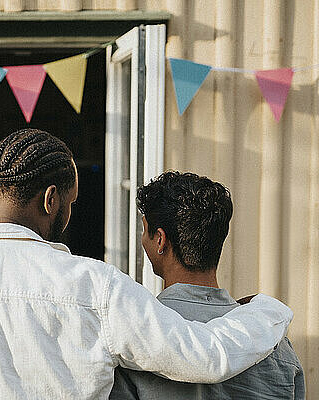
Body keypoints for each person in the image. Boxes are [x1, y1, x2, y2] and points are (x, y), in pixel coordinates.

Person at [0, 128, 292, 399]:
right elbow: (206, 358)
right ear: (52, 199)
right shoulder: (93, 286)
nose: (70, 214)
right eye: (72, 202)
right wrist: (267, 310)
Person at [110, 171, 305, 400]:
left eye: (144, 230)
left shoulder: (135, 339)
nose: (143, 239)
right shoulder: (277, 344)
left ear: (160, 240)